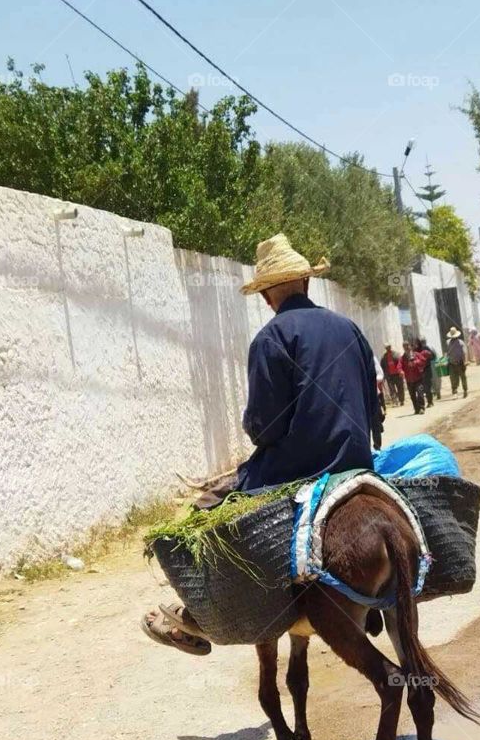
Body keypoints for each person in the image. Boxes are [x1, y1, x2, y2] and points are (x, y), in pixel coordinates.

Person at [141, 233, 380, 653]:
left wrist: (257, 429)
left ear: (268, 294)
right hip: (359, 463)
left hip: (297, 469)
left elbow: (265, 428)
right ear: (306, 283)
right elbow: (375, 409)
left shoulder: (271, 338)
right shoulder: (350, 329)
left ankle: (197, 616)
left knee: (202, 512)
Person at [402, 341, 430, 415]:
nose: (406, 347)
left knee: (420, 393)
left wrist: (416, 362)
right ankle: (416, 409)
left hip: (418, 378)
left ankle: (421, 408)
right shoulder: (403, 358)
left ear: (410, 346)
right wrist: (400, 371)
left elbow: (423, 360)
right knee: (412, 396)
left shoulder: (416, 354)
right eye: (404, 346)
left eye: (407, 345)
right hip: (409, 380)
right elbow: (399, 366)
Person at [445, 327, 468, 398]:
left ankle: (465, 390)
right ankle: (455, 392)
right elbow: (446, 353)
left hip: (459, 363)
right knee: (453, 378)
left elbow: (464, 353)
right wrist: (446, 360)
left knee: (462, 377)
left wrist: (465, 361)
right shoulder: (448, 342)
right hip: (452, 363)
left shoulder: (460, 343)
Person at [416, 337, 437, 407]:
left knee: (427, 387)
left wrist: (426, 358)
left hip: (427, 370)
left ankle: (430, 402)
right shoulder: (416, 350)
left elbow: (433, 357)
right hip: (419, 372)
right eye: (421, 342)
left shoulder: (427, 349)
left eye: (423, 342)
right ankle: (422, 404)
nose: (422, 343)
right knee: (421, 388)